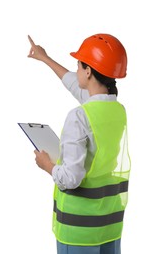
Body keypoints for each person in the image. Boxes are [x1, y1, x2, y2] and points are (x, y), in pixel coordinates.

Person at [27, 33, 131, 254]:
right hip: (108, 224)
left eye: (78, 65)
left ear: (88, 71)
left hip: (79, 231)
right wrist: (45, 59)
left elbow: (70, 179)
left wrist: (47, 164)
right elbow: (78, 87)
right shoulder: (117, 111)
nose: (76, 70)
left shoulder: (79, 117)